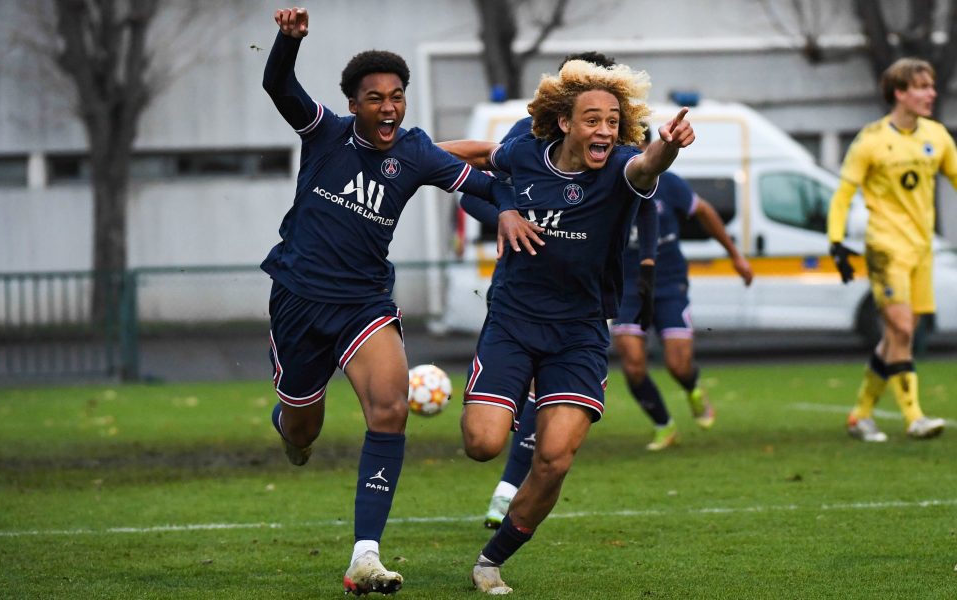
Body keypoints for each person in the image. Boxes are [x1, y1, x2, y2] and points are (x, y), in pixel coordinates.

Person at [259, 7, 540, 595]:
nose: (388, 106)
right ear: (354, 104)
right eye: (375, 98)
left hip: (364, 303)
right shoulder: (324, 132)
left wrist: (510, 203)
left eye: (396, 96)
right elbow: (277, 85)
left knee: (389, 411)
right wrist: (287, 42)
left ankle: (366, 555)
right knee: (303, 431)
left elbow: (484, 182)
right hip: (298, 299)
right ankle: (289, 425)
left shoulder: (413, 152)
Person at [440, 59, 694, 594]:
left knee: (554, 459)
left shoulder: (623, 166)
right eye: (592, 119)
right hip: (512, 321)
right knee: (482, 444)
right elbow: (485, 158)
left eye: (611, 121)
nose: (603, 130)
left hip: (579, 333)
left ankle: (490, 561)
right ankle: (505, 399)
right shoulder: (527, 154)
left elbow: (650, 164)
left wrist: (669, 143)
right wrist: (401, 155)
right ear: (565, 123)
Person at [456, 52, 620, 530]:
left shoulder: (620, 139)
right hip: (522, 295)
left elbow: (645, 191)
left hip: (585, 292)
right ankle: (506, 484)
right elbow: (478, 191)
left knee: (550, 404)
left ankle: (508, 493)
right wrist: (515, 217)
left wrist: (643, 263)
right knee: (515, 407)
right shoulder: (527, 139)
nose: (604, 124)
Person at [827, 57, 956, 442]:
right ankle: (914, 416)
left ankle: (860, 415)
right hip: (884, 247)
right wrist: (836, 242)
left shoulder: (938, 137)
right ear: (899, 93)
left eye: (932, 85)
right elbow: (842, 195)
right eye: (922, 86)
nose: (931, 93)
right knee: (900, 327)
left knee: (899, 337)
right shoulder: (870, 141)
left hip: (921, 249)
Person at [611, 129, 753, 451]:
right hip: (627, 287)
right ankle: (664, 424)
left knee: (678, 365)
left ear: (650, 146)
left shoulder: (668, 183)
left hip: (669, 281)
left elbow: (704, 212)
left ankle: (692, 387)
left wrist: (736, 257)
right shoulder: (610, 184)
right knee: (633, 364)